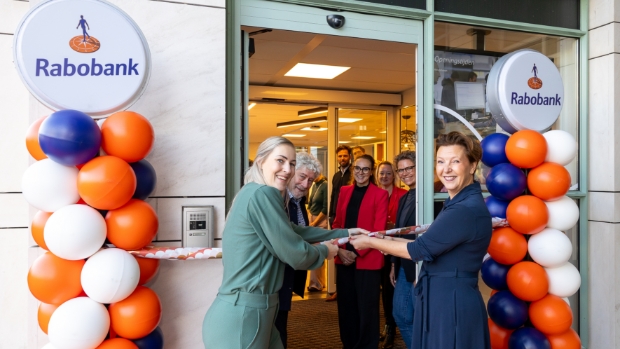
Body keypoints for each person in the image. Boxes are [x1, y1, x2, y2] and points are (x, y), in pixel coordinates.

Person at [202, 137, 368, 349]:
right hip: (245, 316)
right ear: (261, 161)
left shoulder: (255, 192)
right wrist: (327, 250)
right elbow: (297, 255)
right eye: (280, 161)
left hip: (256, 312)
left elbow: (293, 230)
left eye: (291, 163)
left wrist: (345, 231)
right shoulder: (264, 193)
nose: (287, 170)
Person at [350, 132, 492, 349]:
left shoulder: (464, 209)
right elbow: (428, 245)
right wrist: (380, 237)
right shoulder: (457, 203)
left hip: (452, 303)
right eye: (441, 162)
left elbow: (419, 249)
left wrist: (370, 242)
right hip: (444, 297)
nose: (447, 169)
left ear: (472, 166)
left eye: (455, 161)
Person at [333, 154, 388, 349]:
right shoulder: (344, 191)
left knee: (367, 308)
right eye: (357, 168)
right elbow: (337, 224)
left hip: (367, 259)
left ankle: (366, 345)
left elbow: (378, 230)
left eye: (365, 169)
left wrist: (356, 253)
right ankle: (349, 344)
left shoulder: (380, 194)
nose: (360, 173)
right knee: (346, 307)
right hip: (343, 257)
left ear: (371, 171)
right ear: (353, 169)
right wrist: (340, 251)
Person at [275, 152, 323, 348]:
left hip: (287, 277)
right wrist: (325, 251)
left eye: (310, 181)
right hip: (272, 281)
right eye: (302, 177)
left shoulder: (298, 202)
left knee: (280, 329)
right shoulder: (275, 201)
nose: (305, 185)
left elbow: (304, 233)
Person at [376, 161, 407, 349]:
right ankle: (387, 325)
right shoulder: (373, 194)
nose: (385, 177)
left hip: (396, 248)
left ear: (393, 175)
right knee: (380, 291)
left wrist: (392, 228)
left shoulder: (403, 195)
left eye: (388, 173)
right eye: (381, 173)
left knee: (391, 290)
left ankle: (392, 327)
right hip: (376, 248)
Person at [391, 151, 418, 349]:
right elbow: (400, 234)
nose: (405, 173)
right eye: (401, 170)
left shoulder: (431, 196)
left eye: (409, 168)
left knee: (417, 318)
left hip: (421, 266)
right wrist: (394, 263)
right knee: (401, 315)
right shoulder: (404, 198)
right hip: (403, 265)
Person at [307, 173, 329, 292]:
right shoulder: (314, 185)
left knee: (317, 252)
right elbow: (310, 204)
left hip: (319, 222)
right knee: (313, 253)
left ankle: (316, 284)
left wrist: (314, 224)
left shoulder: (325, 185)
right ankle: (316, 282)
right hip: (312, 220)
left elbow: (325, 208)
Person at [329, 145, 352, 227]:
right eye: (340, 156)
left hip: (349, 214)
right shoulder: (336, 176)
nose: (342, 158)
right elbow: (333, 195)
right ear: (337, 158)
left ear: (350, 157)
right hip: (335, 215)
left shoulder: (354, 175)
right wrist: (331, 215)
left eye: (345, 156)